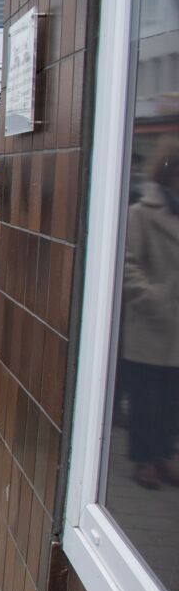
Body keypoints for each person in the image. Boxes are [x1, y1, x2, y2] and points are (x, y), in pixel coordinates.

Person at [118, 138, 179, 489]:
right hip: (150, 320)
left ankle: (165, 453)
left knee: (172, 394)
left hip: (174, 324)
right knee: (146, 394)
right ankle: (144, 458)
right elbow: (127, 265)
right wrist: (152, 298)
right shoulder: (142, 213)